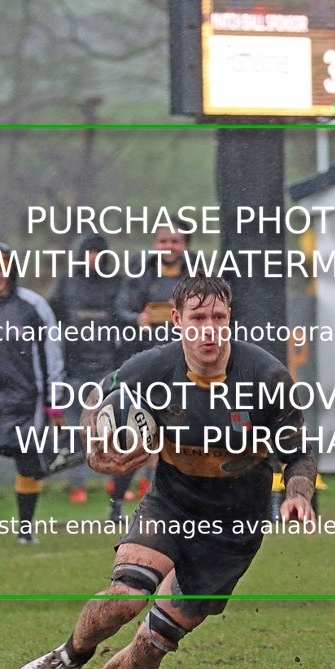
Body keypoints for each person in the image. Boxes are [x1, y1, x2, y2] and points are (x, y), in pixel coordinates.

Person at [11, 273, 317, 669]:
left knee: (155, 641)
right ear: (177, 321)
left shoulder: (266, 376)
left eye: (218, 317)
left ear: (229, 318)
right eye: (198, 318)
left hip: (233, 529)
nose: (209, 330)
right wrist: (97, 451)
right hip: (171, 504)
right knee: (127, 596)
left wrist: (299, 493)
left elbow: (298, 454)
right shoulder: (154, 367)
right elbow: (96, 402)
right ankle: (68, 655)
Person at [0, 242, 67, 545]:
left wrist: (53, 400)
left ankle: (25, 529)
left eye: (1, 269)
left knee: (28, 464)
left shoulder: (32, 306)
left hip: (25, 400)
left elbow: (50, 352)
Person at [108, 220, 195, 520]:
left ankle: (175, 504)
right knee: (135, 435)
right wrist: (136, 319)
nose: (167, 247)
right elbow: (118, 309)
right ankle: (116, 503)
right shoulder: (139, 272)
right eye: (162, 241)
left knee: (180, 438)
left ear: (185, 245)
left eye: (174, 241)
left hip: (185, 368)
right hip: (147, 367)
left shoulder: (197, 274)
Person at [49, 230, 122, 504]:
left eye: (98, 252)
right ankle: (77, 483)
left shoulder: (116, 283)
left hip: (108, 368)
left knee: (112, 427)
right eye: (89, 252)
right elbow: (50, 317)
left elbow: (123, 320)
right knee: (76, 430)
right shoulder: (67, 283)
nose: (93, 258)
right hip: (75, 370)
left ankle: (116, 482)